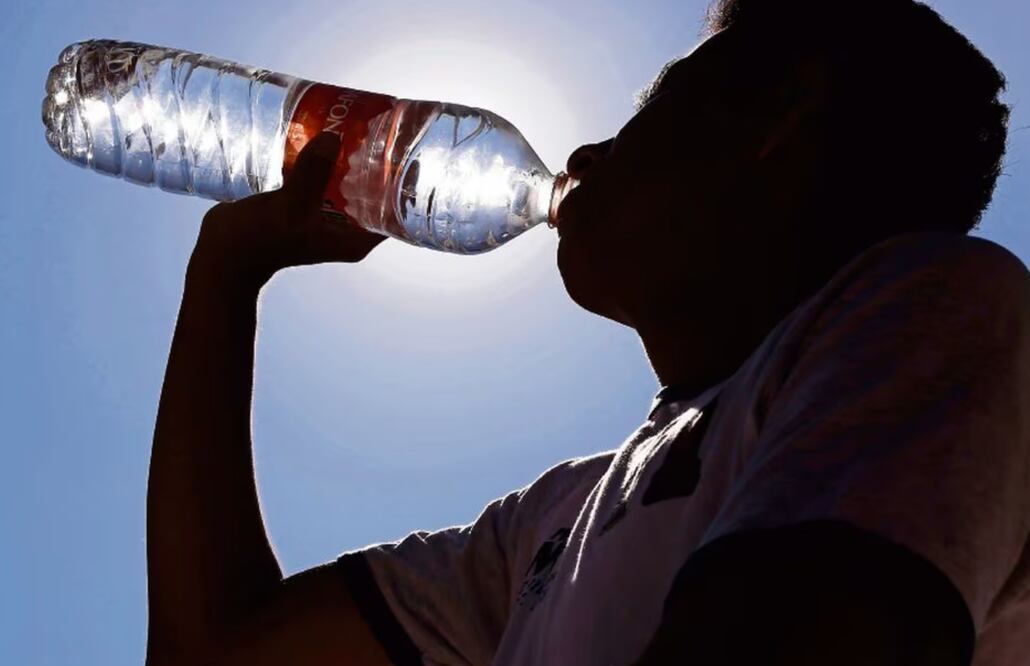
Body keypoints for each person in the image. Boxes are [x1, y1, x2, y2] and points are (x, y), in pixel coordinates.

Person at [143, 0, 1029, 664]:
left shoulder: (944, 311)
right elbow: (216, 651)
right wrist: (225, 275)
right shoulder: (553, 522)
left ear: (781, 122)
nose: (582, 157)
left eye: (654, 106)